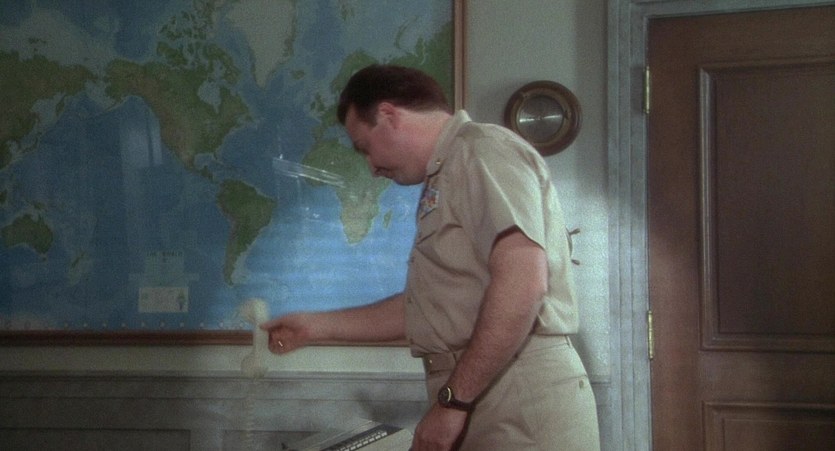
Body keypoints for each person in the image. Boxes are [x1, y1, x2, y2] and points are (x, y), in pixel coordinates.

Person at [261, 64, 600, 451]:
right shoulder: (449, 170)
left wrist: (454, 402)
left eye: (365, 147)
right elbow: (428, 309)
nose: (370, 167)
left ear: (388, 115)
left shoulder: (483, 150)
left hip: (515, 393)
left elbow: (523, 283)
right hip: (486, 388)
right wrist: (313, 327)